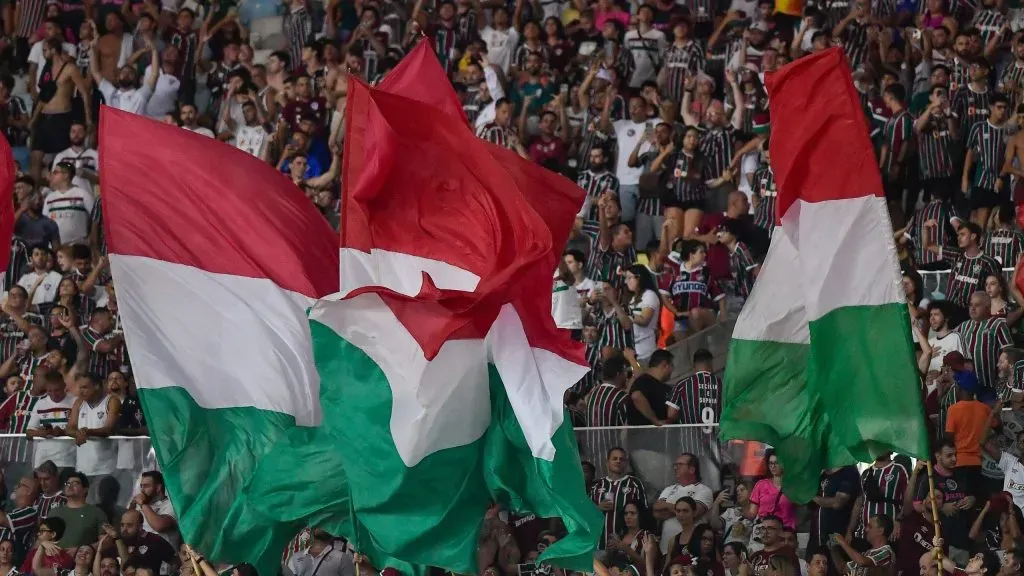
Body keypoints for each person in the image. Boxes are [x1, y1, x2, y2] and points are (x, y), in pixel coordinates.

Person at [588, 447, 648, 550]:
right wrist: (598, 508)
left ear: (626, 463)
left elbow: (644, 513)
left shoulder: (634, 484)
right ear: (607, 462)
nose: (618, 461)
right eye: (614, 458)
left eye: (622, 459)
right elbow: (585, 515)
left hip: (627, 547)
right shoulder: (597, 485)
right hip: (598, 545)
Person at [48, 471, 108, 552]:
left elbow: (106, 542)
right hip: (53, 561)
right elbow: (42, 539)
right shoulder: (54, 512)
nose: (70, 486)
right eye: (67, 483)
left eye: (75, 483)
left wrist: (80, 550)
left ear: (85, 489)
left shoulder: (96, 512)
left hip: (83, 560)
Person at [131, 471, 180, 550]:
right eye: (141, 486)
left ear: (158, 488)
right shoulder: (141, 506)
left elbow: (159, 526)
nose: (142, 490)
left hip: (166, 559)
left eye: (146, 486)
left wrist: (143, 504)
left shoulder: (171, 505)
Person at [626, 349, 673, 425]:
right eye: (672, 365)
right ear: (664, 365)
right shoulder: (644, 381)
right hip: (644, 435)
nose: (672, 370)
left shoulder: (662, 386)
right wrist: (655, 420)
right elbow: (636, 396)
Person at [284, 528, 353, 576]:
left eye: (326, 524)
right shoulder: (296, 557)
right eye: (319, 522)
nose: (322, 526)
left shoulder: (342, 557)